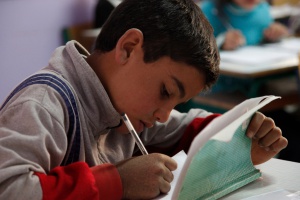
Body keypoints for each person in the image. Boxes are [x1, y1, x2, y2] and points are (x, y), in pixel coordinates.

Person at [0, 0, 288, 199]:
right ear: (128, 48)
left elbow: (188, 128)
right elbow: (8, 190)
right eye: (166, 91)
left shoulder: (126, 106)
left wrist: (241, 137)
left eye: (175, 102)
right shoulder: (43, 105)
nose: (164, 115)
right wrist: (119, 182)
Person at [200, 0, 289, 50]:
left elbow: (261, 40)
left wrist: (275, 35)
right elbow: (198, 50)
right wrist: (221, 43)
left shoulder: (262, 8)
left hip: (259, 75)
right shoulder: (210, 10)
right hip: (225, 78)